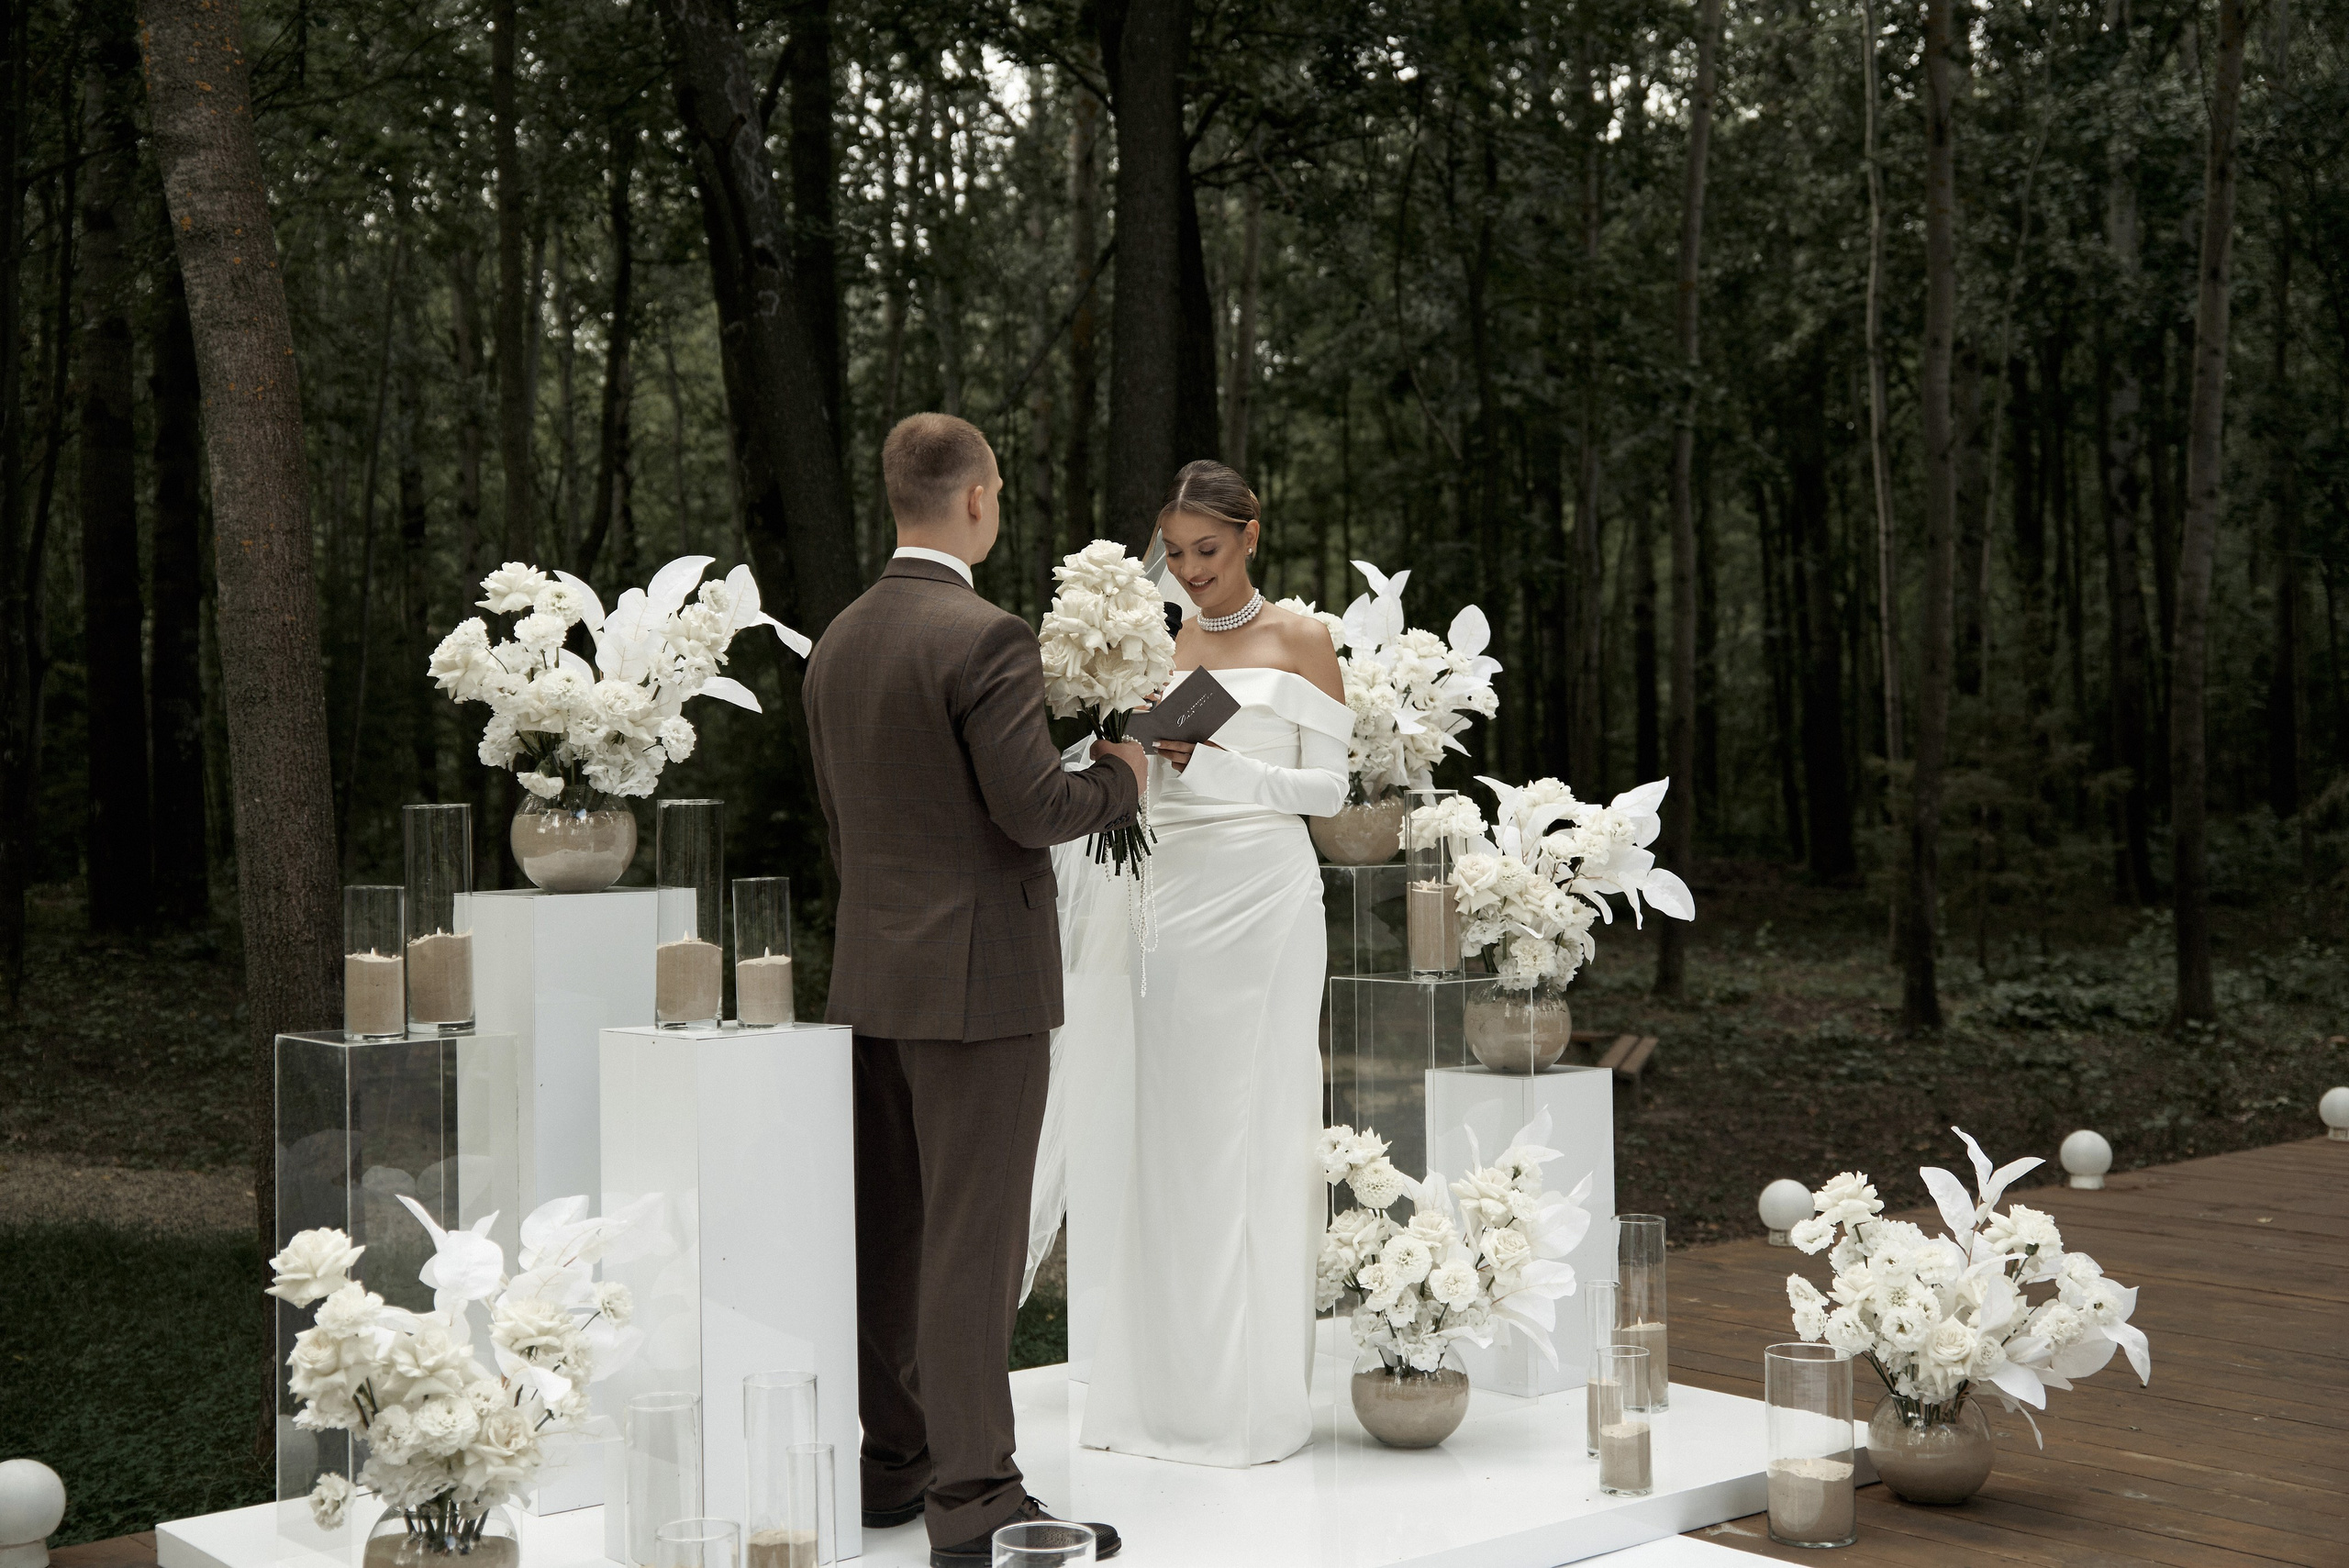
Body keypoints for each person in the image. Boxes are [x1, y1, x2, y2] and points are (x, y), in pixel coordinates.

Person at [803, 413, 1144, 1564]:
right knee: (971, 1240)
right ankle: (978, 1498)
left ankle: (894, 1462)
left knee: (892, 1230)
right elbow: (1035, 812)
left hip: (873, 975)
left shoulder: (839, 639)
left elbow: (848, 825)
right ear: (978, 499)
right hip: (981, 983)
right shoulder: (986, 635)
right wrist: (1121, 771)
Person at [1076, 460, 1351, 1466]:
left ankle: (1247, 1403)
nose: (1188, 571)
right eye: (1176, 553)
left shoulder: (1304, 638)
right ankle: (1159, 1399)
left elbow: (1329, 792)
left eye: (1206, 550)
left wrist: (1222, 760)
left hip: (1267, 900)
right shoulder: (1157, 641)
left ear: (1250, 535)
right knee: (1173, 1140)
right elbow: (1133, 774)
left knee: (1256, 1135)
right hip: (1174, 899)